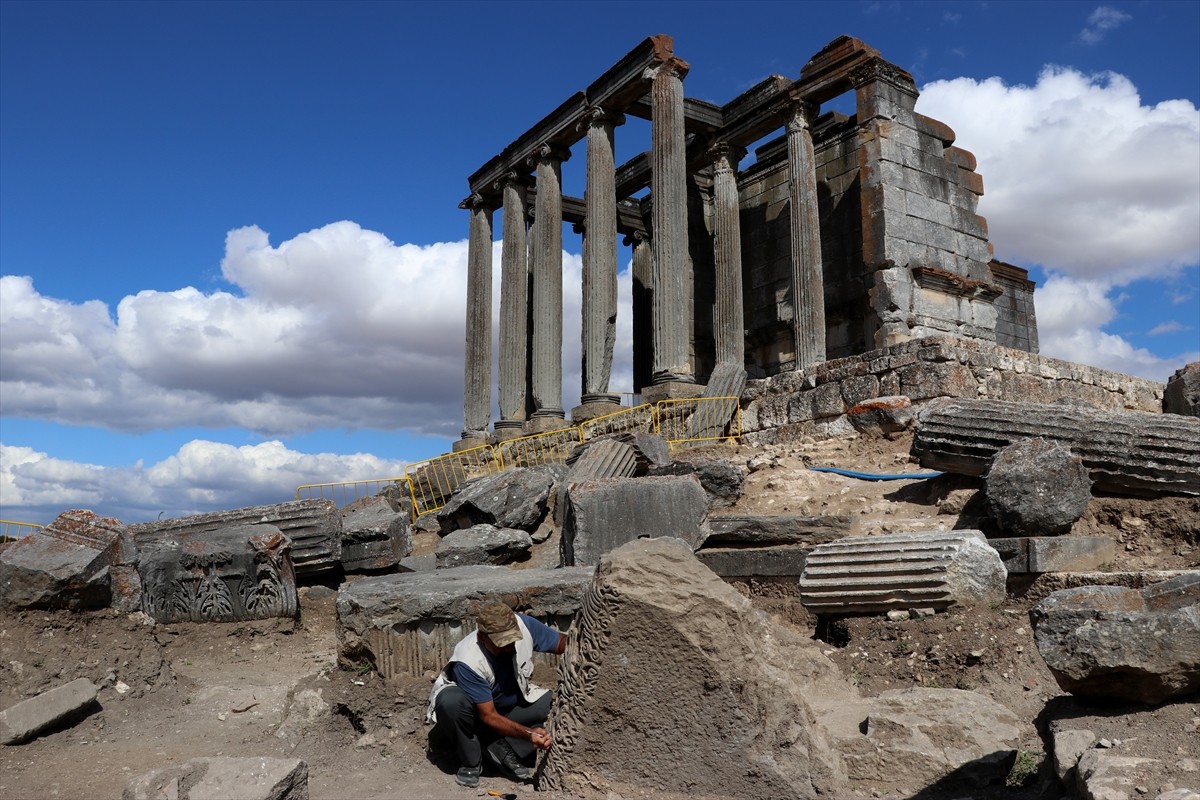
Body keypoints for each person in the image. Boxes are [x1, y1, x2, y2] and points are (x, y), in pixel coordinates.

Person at [426, 600, 567, 788]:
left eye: (511, 641)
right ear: (482, 637)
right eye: (502, 643)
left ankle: (498, 745)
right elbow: (489, 716)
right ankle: (472, 761)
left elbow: (561, 643)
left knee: (561, 704)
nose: (508, 647)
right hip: (477, 715)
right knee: (451, 702)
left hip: (511, 705)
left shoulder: (524, 625)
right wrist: (529, 734)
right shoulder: (468, 660)